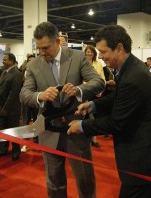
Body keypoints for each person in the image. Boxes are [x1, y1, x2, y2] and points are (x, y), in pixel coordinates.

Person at [67, 25, 151, 198]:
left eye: (103, 51)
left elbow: (116, 122)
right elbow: (118, 97)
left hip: (146, 158)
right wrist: (94, 105)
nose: (101, 56)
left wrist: (81, 126)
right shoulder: (130, 67)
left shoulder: (133, 76)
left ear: (119, 48)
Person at [20, 22, 105, 198]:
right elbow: (24, 94)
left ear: (57, 41)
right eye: (39, 48)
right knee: (54, 182)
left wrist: (79, 89)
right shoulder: (34, 64)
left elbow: (98, 82)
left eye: (45, 48)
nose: (42, 53)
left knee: (85, 181)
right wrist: (40, 95)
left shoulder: (77, 56)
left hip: (76, 129)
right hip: (49, 132)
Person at [0, 53, 22, 160]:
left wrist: (6, 108)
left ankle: (16, 150)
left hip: (11, 108)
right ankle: (3, 149)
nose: (3, 61)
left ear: (11, 61)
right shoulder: (3, 72)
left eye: (5, 59)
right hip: (2, 107)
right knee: (3, 129)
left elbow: (13, 93)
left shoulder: (16, 73)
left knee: (13, 130)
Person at [84, 45, 105, 148]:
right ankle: (88, 138)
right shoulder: (82, 64)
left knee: (94, 116)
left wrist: (101, 89)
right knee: (87, 116)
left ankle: (94, 139)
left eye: (91, 52)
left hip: (96, 92)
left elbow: (102, 78)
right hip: (85, 92)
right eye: (87, 52)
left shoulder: (99, 64)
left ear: (94, 53)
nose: (89, 53)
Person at [21, 54, 38, 153]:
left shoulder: (39, 73)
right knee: (26, 123)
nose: (31, 62)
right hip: (26, 102)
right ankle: (26, 143)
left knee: (36, 122)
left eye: (33, 60)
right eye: (29, 60)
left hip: (36, 100)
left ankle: (36, 141)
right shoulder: (23, 72)